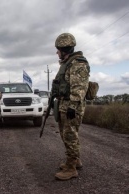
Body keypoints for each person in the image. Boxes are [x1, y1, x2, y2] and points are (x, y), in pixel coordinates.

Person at [52, 33, 90, 180]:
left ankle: (71, 168)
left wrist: (72, 107)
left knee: (70, 136)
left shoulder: (78, 64)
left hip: (71, 106)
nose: (57, 52)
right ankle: (76, 160)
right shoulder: (68, 63)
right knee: (68, 135)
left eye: (58, 50)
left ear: (64, 49)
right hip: (65, 104)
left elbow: (79, 88)